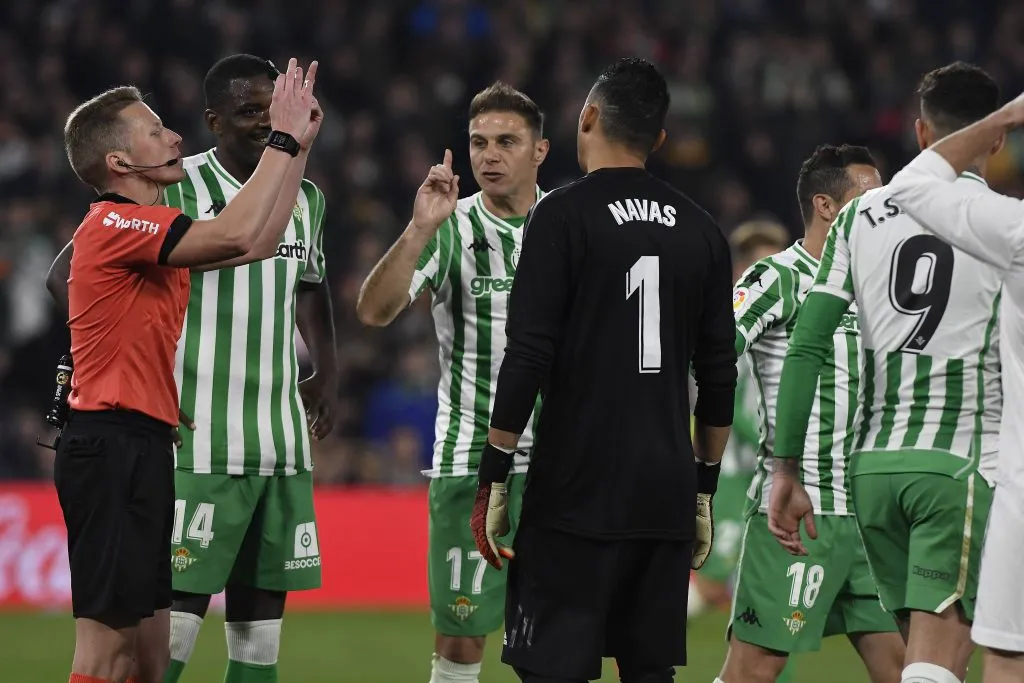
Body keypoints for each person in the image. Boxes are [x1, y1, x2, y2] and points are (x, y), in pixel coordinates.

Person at [47, 54, 335, 683]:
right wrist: (281, 137)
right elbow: (235, 236)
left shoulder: (153, 225)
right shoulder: (117, 222)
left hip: (149, 442)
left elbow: (261, 242)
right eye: (155, 131)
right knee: (106, 656)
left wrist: (298, 149)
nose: (174, 135)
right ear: (120, 163)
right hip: (111, 445)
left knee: (150, 660)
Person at [470, 57, 737, 683]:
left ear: (587, 116)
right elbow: (718, 375)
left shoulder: (560, 215)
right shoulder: (702, 231)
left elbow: (528, 354)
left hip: (576, 489)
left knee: (551, 669)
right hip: (665, 488)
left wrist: (495, 477)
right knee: (649, 672)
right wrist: (702, 489)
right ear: (660, 141)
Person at [769, 62, 1004, 683]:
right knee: (946, 656)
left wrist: (786, 468)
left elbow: (807, 345)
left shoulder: (857, 217)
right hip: (961, 465)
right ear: (999, 139)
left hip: (872, 471)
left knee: (922, 659)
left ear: (922, 133)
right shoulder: (1006, 224)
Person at [355, 81, 549, 683]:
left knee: (560, 641)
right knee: (461, 642)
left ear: (539, 151)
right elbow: (375, 311)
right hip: (470, 463)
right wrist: (417, 230)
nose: (489, 155)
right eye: (478, 143)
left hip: (561, 465)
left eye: (506, 142)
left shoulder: (570, 225)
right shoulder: (450, 228)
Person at [715, 145, 904, 683]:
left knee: (906, 669)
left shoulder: (883, 287)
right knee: (753, 671)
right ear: (825, 205)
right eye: (869, 199)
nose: (882, 211)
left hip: (872, 515)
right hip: (802, 512)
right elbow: (712, 351)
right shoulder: (777, 277)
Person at [877, 88, 1024, 683]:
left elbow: (913, 184)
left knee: (1007, 656)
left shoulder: (1015, 228)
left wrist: (1008, 116)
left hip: (1009, 481)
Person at [689, 220, 790, 619]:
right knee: (713, 578)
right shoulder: (727, 320)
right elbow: (709, 391)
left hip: (771, 471)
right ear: (740, 271)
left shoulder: (795, 316)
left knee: (769, 588)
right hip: (731, 470)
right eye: (759, 266)